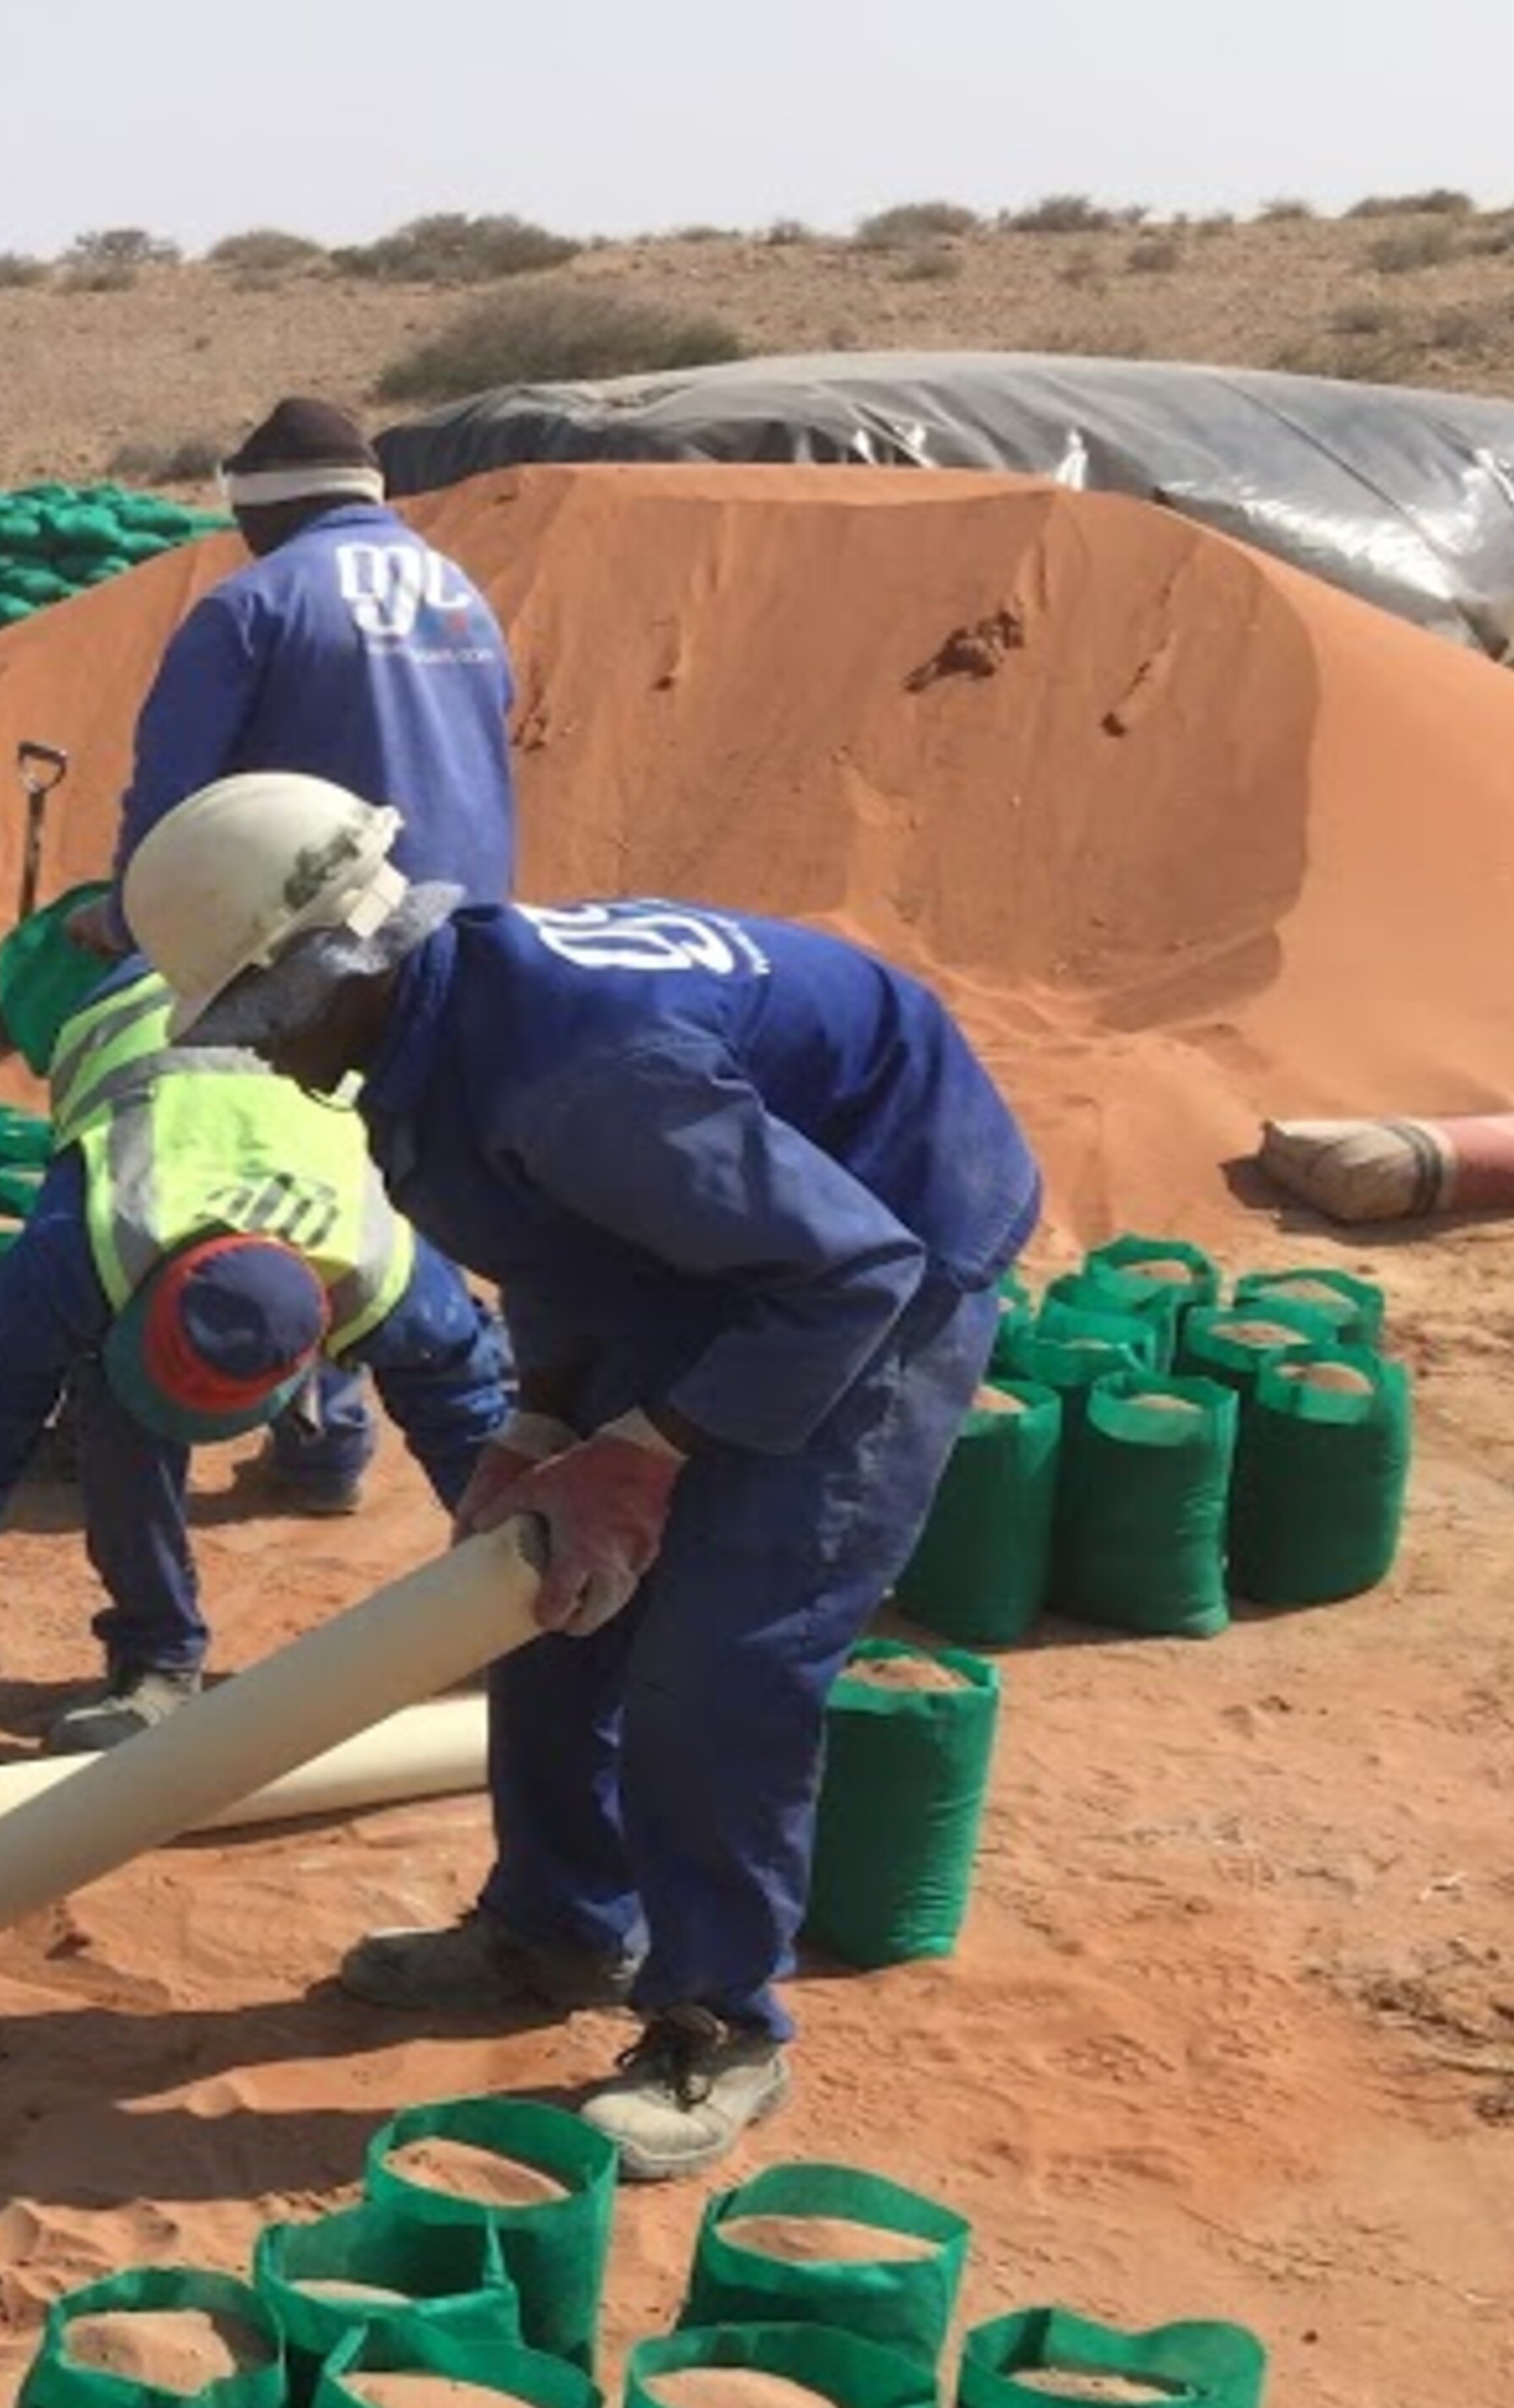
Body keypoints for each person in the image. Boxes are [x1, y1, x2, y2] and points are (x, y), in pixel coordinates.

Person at [123, 771, 1046, 2179]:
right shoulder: (436, 1049)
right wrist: (543, 1430)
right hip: (740, 1237)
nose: (258, 1058)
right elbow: (568, 1250)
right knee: (541, 1591)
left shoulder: (580, 1067)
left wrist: (653, 1453)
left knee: (722, 1649)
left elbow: (844, 1273)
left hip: (883, 1243)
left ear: (334, 962)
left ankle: (712, 2024)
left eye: (259, 1021)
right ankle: (552, 1923)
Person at [0, 932, 510, 1820]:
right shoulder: (81, 1246)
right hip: (148, 1014)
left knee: (481, 1430)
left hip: (294, 1062)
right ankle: (157, 1657)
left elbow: (476, 1424)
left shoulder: (387, 1268)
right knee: (120, 1422)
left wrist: (527, 1595)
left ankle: (326, 1468)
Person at [73, 393, 520, 1515]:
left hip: (314, 952)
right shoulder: (459, 589)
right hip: (459, 925)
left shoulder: (254, 602)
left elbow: (172, 799)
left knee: (292, 1168)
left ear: (263, 507)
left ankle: (318, 1435)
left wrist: (130, 918)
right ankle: (408, 1413)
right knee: (398, 1176)